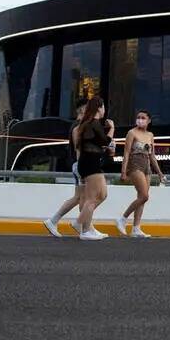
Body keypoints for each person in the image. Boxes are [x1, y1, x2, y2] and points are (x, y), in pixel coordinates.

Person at [117, 110, 165, 238]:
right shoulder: (131, 133)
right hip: (135, 163)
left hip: (147, 164)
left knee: (141, 198)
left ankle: (136, 228)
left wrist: (160, 173)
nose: (140, 120)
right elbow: (126, 153)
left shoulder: (150, 135)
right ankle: (122, 218)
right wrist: (123, 171)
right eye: (138, 117)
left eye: (143, 118)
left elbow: (152, 156)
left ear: (149, 120)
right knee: (144, 196)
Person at [74, 98, 112, 241]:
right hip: (90, 163)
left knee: (102, 195)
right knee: (92, 198)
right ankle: (81, 226)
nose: (104, 111)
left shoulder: (88, 123)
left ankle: (86, 227)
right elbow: (105, 141)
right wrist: (112, 129)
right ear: (99, 108)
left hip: (91, 162)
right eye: (103, 108)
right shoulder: (94, 123)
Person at [43, 117, 88, 237]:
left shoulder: (79, 126)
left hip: (79, 165)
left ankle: (54, 221)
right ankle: (84, 228)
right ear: (82, 110)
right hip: (81, 165)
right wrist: (82, 166)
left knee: (79, 198)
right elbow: (79, 149)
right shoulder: (79, 127)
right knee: (84, 198)